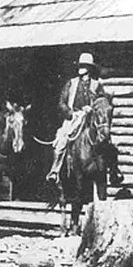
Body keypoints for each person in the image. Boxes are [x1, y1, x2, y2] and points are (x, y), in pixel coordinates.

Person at [46, 52, 106, 184]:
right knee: (61, 141)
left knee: (105, 139)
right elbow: (62, 102)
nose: (81, 68)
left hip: (90, 118)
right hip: (74, 118)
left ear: (89, 68)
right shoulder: (71, 83)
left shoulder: (97, 85)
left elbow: (102, 102)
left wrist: (92, 108)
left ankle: (113, 172)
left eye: (84, 66)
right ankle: (55, 171)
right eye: (80, 65)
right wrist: (70, 113)